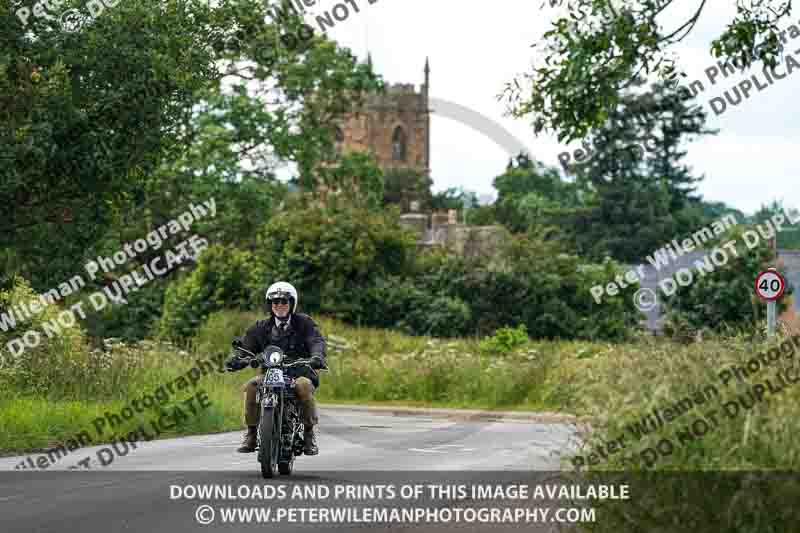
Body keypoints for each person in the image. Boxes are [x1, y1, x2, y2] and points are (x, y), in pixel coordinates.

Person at [225, 281, 327, 455]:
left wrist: (317, 356)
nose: (279, 305)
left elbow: (316, 340)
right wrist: (238, 360)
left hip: (299, 372)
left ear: (292, 303)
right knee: (252, 386)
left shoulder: (304, 323)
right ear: (270, 305)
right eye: (275, 302)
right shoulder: (261, 327)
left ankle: (309, 434)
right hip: (271, 373)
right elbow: (247, 346)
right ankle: (251, 434)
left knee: (303, 386)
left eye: (284, 301)